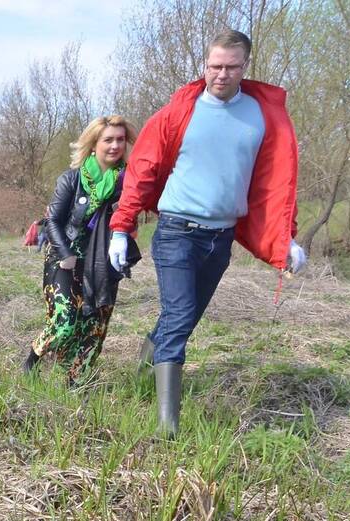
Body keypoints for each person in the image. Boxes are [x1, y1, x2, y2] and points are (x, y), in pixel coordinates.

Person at [110, 29, 306, 437]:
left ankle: (141, 376)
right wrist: (121, 227)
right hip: (177, 232)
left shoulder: (260, 115)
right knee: (179, 315)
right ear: (205, 64)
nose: (221, 74)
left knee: (184, 317)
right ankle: (168, 426)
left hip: (221, 239)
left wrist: (286, 235)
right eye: (214, 66)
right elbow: (142, 169)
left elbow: (275, 183)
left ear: (245, 66)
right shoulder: (179, 112)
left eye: (231, 67)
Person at [23, 115, 139, 386]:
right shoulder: (72, 179)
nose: (115, 146)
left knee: (94, 328)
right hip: (65, 257)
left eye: (120, 140)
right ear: (93, 143)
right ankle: (32, 360)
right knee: (65, 324)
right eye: (108, 140)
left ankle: (74, 385)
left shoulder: (129, 183)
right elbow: (52, 221)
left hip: (103, 261)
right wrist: (65, 254)